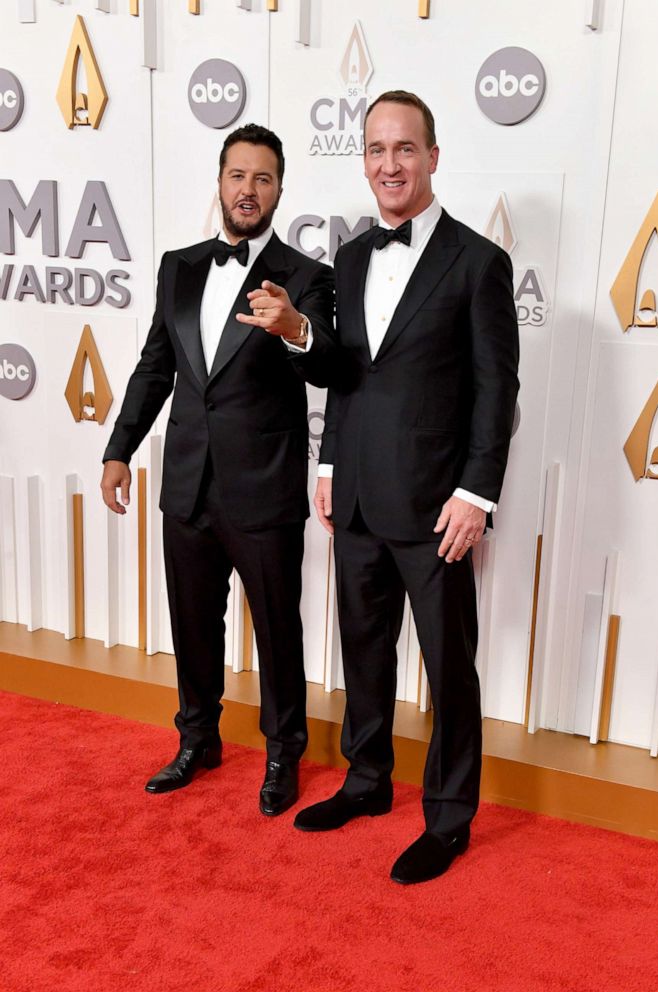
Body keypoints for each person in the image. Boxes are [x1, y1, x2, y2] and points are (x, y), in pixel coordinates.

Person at [293, 92, 519, 883]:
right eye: (376, 149)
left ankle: (450, 818)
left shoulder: (477, 261)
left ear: (431, 155)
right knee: (363, 650)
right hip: (354, 494)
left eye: (404, 149)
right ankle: (366, 780)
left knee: (449, 664)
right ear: (364, 159)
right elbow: (347, 377)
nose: (389, 164)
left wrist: (476, 494)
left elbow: (497, 391)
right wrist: (327, 466)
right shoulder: (350, 257)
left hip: (436, 508)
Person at [101, 123, 334, 816]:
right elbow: (156, 366)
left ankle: (282, 752)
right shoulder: (179, 265)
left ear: (279, 190)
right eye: (238, 175)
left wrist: (294, 328)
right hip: (187, 486)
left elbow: (327, 364)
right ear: (220, 181)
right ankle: (198, 739)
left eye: (262, 178)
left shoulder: (309, 278)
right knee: (193, 624)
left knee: (276, 630)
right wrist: (119, 449)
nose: (248, 190)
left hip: (262, 488)